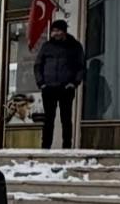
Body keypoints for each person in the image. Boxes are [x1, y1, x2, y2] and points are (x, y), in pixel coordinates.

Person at [33, 20, 85, 149]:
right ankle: (45, 147)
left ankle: (67, 147)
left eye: (58, 31)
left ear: (64, 32)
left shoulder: (74, 46)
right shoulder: (47, 46)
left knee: (66, 119)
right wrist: (41, 83)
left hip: (66, 88)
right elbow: (38, 65)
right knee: (48, 119)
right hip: (48, 88)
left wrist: (74, 83)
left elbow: (81, 67)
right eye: (53, 31)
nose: (55, 34)